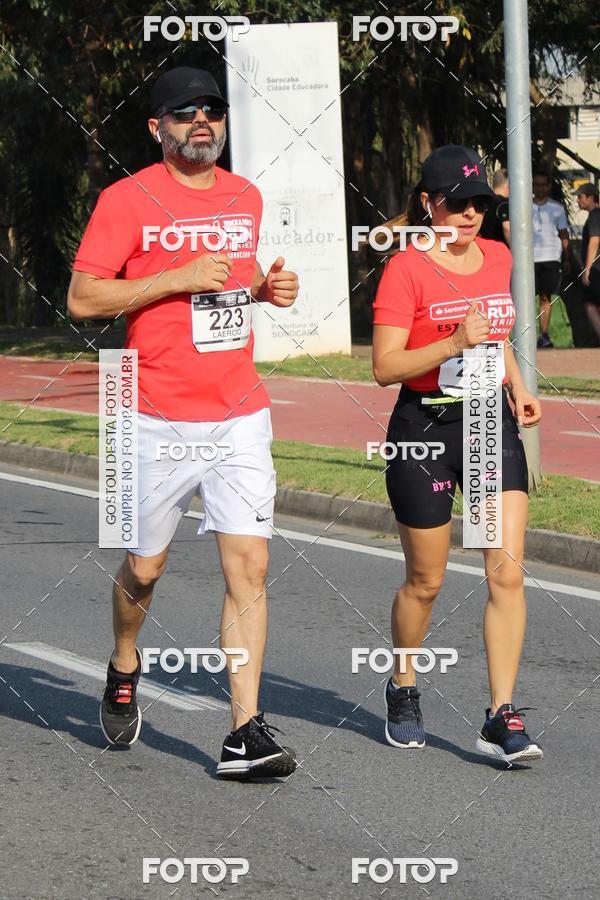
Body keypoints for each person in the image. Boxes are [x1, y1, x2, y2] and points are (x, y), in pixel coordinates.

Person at [67, 67, 300, 779]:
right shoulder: (125, 199)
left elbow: (230, 275)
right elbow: (83, 297)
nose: (203, 121)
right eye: (186, 112)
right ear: (156, 126)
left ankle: (243, 732)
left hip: (238, 410)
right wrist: (171, 278)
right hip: (145, 409)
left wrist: (264, 288)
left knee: (250, 564)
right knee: (145, 566)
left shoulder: (245, 195)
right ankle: (124, 661)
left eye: (213, 110)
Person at [372, 144, 543, 764]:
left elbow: (496, 336)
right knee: (427, 579)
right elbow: (385, 367)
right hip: (425, 429)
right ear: (428, 204)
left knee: (507, 572)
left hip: (486, 429)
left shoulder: (497, 257)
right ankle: (404, 683)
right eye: (458, 202)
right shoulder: (406, 269)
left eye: (481, 203)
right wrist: (451, 341)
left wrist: (517, 387)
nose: (471, 213)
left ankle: (500, 714)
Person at [532, 170, 571, 348]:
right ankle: (520, 336)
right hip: (528, 259)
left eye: (543, 184)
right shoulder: (523, 206)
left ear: (548, 187)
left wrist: (567, 259)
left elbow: (564, 236)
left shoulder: (557, 208)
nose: (539, 188)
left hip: (550, 258)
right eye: (536, 184)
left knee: (545, 297)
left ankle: (544, 335)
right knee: (521, 298)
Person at [576, 182, 600, 341]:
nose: (578, 200)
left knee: (589, 304)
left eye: (581, 197)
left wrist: (587, 269)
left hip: (597, 268)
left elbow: (594, 241)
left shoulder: (594, 216)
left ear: (591, 197)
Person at [479, 167, 510, 246]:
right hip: (501, 250)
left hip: (483, 247)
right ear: (508, 186)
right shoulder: (504, 204)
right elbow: (507, 228)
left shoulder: (482, 202)